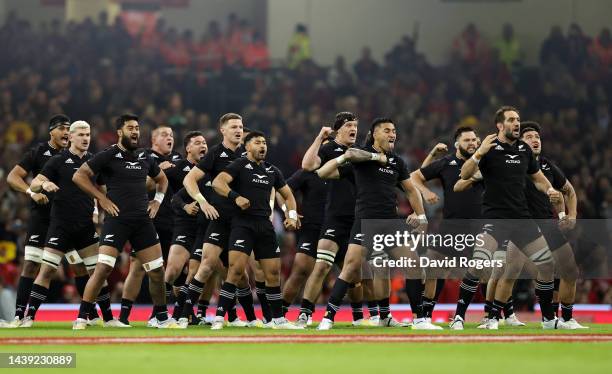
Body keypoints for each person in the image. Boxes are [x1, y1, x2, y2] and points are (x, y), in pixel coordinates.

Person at [315, 118, 439, 330]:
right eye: (387, 130)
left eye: (394, 131)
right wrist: (349, 157)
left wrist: (421, 217)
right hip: (365, 221)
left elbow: (410, 190)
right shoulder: (361, 157)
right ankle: (327, 318)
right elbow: (322, 172)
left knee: (414, 265)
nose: (393, 134)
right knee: (351, 268)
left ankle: (418, 319)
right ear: (374, 134)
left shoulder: (397, 162)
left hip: (390, 223)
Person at [449, 107, 566, 330]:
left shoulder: (524, 149)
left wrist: (549, 189)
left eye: (518, 120)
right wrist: (478, 153)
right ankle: (459, 317)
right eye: (511, 120)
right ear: (500, 125)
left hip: (522, 219)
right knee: (479, 264)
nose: (517, 123)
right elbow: (464, 174)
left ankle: (549, 320)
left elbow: (538, 178)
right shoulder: (489, 148)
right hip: (495, 219)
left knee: (547, 265)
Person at [71, 114, 178, 329]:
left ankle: (162, 318)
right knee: (103, 269)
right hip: (116, 221)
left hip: (142, 221)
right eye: (130, 128)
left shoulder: (144, 156)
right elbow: (79, 176)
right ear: (120, 132)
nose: (135, 132)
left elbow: (162, 179)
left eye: (137, 128)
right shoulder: (109, 154)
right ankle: (82, 317)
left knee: (157, 271)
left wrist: (157, 202)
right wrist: (102, 199)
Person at [22, 121, 125, 327]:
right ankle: (29, 317)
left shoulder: (93, 161)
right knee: (47, 270)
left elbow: (102, 190)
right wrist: (43, 184)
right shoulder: (58, 160)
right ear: (70, 137)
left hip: (85, 226)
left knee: (97, 272)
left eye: (88, 134)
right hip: (60, 225)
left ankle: (108, 319)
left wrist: (102, 208)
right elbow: (34, 183)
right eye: (81, 134)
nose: (86, 138)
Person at [209, 131, 302, 329]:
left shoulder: (272, 170)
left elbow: (289, 196)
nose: (263, 146)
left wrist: (291, 216)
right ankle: (219, 317)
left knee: (273, 274)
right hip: (242, 224)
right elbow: (218, 183)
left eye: (264, 143)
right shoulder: (240, 165)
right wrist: (236, 197)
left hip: (265, 226)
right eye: (258, 142)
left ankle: (278, 320)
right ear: (247, 146)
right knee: (235, 271)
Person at [180, 113, 259, 327]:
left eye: (241, 126)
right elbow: (189, 179)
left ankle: (247, 319)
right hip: (220, 219)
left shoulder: (248, 154)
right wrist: (203, 202)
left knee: (239, 273)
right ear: (223, 130)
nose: (238, 130)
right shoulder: (215, 153)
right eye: (233, 126)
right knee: (206, 266)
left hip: (241, 221)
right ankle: (183, 316)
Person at [4, 114, 83, 327]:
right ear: (51, 131)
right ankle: (20, 316)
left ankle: (87, 315)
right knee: (31, 265)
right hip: (43, 217)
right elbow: (13, 177)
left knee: (80, 266)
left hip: (69, 218)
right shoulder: (39, 152)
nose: (66, 132)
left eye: (69, 128)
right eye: (61, 128)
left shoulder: (76, 153)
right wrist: (31, 192)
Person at [410, 127, 482, 325]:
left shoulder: (483, 162)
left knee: (482, 272)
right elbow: (415, 177)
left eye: (474, 140)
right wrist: (425, 193)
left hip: (480, 225)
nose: (472, 143)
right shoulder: (447, 163)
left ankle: (481, 316)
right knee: (433, 269)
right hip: (451, 225)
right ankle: (425, 317)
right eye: (467, 140)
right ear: (458, 144)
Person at [119, 125, 181, 326]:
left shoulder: (179, 160)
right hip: (150, 221)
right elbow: (137, 185)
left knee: (173, 269)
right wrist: (157, 174)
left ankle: (159, 314)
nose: (169, 138)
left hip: (175, 221)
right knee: (138, 268)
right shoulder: (143, 157)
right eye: (164, 135)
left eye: (171, 135)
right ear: (154, 140)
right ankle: (123, 316)